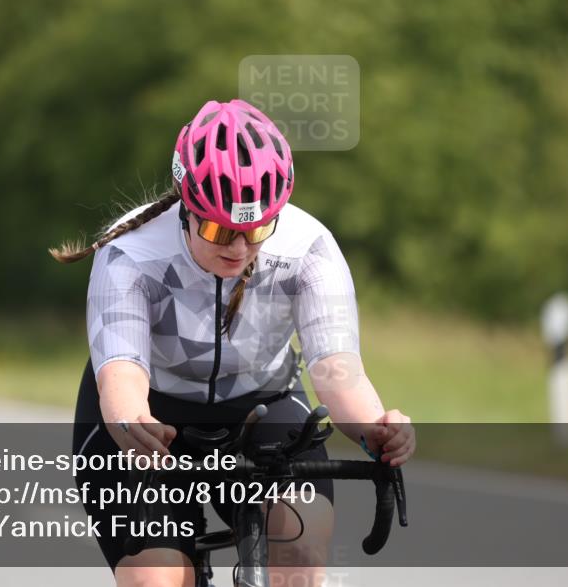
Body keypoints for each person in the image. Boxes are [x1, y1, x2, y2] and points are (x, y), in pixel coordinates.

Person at [53, 99, 415, 587]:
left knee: (301, 563)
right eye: (219, 229)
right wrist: (130, 423)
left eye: (256, 229)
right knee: (155, 581)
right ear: (186, 208)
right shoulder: (131, 254)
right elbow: (123, 373)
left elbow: (335, 371)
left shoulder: (309, 248)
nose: (239, 248)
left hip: (260, 405)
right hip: (153, 416)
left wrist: (376, 427)